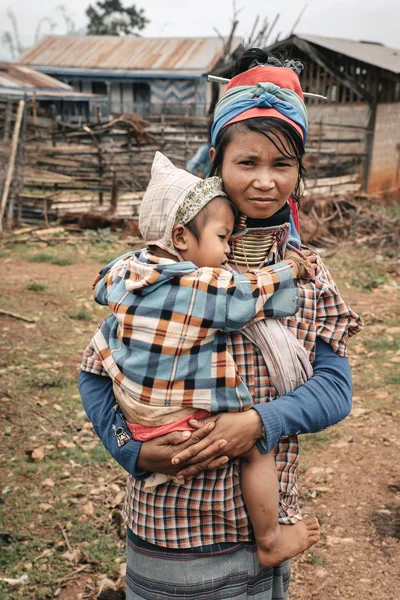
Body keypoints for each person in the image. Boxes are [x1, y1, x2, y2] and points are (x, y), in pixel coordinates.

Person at [79, 49, 363, 600]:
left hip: (264, 528)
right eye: (247, 163)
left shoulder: (305, 275)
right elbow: (94, 370)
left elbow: (336, 389)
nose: (264, 182)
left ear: (300, 174)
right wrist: (130, 449)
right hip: (171, 527)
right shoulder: (167, 267)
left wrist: (257, 422)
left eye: (282, 165)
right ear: (216, 161)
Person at [88, 150, 319, 568]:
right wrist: (290, 271)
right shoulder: (197, 286)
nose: (228, 251)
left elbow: (98, 316)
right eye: (221, 238)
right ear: (180, 238)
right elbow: (243, 295)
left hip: (142, 424)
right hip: (183, 429)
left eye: (282, 165)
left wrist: (127, 441)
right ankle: (271, 538)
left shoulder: (129, 274)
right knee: (256, 449)